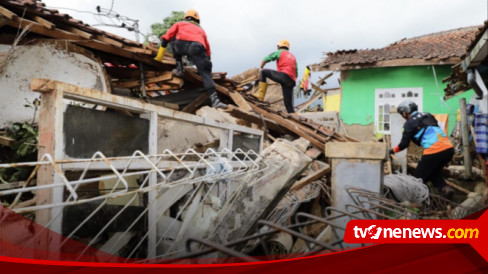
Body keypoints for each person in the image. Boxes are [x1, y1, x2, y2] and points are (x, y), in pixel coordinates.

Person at [154, 9, 226, 109]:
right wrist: (207, 64)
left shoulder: (179, 24)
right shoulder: (201, 30)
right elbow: (207, 49)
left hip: (180, 46)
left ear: (186, 18)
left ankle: (180, 68)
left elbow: (166, 38)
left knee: (173, 38)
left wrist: (159, 57)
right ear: (197, 20)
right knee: (206, 75)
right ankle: (215, 101)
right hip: (197, 48)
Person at [389, 100, 455, 198]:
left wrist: (391, 151)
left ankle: (426, 203)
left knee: (417, 180)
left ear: (404, 113)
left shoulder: (409, 124)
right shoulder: (428, 115)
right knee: (433, 172)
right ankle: (445, 188)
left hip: (434, 151)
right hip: (449, 149)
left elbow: (403, 144)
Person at [253, 39, 298, 113]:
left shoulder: (279, 52)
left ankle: (260, 96)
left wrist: (260, 68)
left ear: (279, 47)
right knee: (288, 102)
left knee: (264, 72)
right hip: (292, 81)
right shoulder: (293, 57)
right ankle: (293, 114)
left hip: (284, 76)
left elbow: (266, 59)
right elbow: (296, 71)